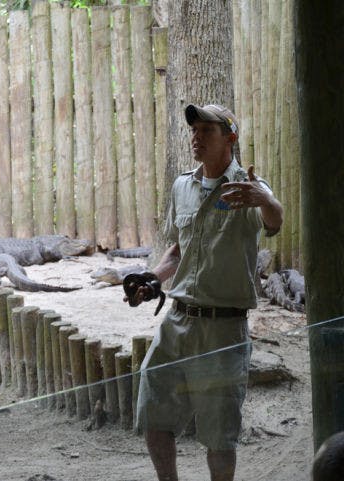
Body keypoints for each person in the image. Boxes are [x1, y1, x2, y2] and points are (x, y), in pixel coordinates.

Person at [126, 104, 284, 481]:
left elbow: (274, 221)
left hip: (223, 330)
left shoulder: (249, 189)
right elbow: (179, 250)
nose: (196, 137)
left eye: (206, 131)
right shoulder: (183, 185)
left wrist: (265, 200)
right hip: (177, 323)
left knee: (218, 434)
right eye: (193, 130)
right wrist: (151, 281)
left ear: (229, 138)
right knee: (153, 413)